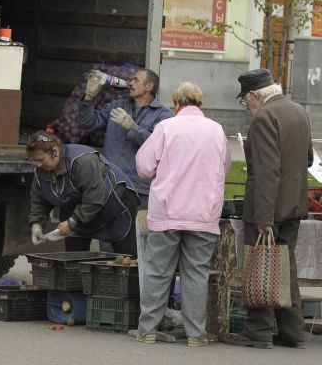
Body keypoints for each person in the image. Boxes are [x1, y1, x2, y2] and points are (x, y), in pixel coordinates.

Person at [134, 82, 230, 347]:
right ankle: (196, 334)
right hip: (203, 213)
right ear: (200, 104)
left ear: (177, 103)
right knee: (196, 274)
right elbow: (226, 166)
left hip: (168, 211)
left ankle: (148, 330)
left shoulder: (166, 127)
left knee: (158, 271)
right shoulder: (217, 130)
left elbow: (144, 167)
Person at [225, 69, 313, 349]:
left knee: (260, 265)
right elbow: (308, 158)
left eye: (245, 101)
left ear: (254, 95)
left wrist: (263, 217)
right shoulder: (297, 110)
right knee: (285, 267)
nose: (246, 107)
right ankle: (292, 331)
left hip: (269, 208)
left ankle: (258, 330)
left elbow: (265, 171)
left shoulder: (264, 117)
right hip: (294, 205)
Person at [78, 68, 174, 257]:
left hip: (139, 190)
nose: (130, 83)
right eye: (130, 79)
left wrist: (133, 128)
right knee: (110, 246)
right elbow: (87, 123)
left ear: (149, 86)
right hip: (110, 186)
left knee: (137, 244)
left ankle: (137, 286)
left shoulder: (164, 115)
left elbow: (160, 148)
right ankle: (111, 284)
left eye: (135, 80)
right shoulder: (117, 106)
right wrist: (89, 97)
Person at [26, 131, 140, 252]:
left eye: (41, 160)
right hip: (79, 211)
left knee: (125, 256)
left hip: (114, 204)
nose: (37, 165)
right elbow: (39, 200)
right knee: (73, 258)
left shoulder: (82, 161)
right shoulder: (40, 172)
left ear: (54, 152)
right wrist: (36, 224)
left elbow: (94, 198)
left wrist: (72, 222)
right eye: (34, 161)